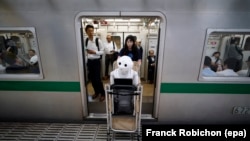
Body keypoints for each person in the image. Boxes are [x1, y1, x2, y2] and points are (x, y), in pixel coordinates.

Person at [85, 24, 105, 102]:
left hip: (96, 62)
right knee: (92, 79)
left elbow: (102, 52)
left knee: (97, 79)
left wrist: (94, 52)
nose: (91, 32)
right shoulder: (86, 41)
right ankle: (96, 92)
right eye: (89, 31)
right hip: (90, 62)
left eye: (92, 30)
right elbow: (85, 50)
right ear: (86, 31)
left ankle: (102, 93)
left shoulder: (97, 40)